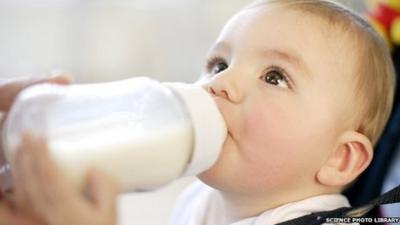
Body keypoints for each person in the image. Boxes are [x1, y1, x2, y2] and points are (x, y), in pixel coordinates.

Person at [0, 0, 396, 224]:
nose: (220, 84)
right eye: (219, 64)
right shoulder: (201, 198)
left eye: (274, 77)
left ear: (339, 158)